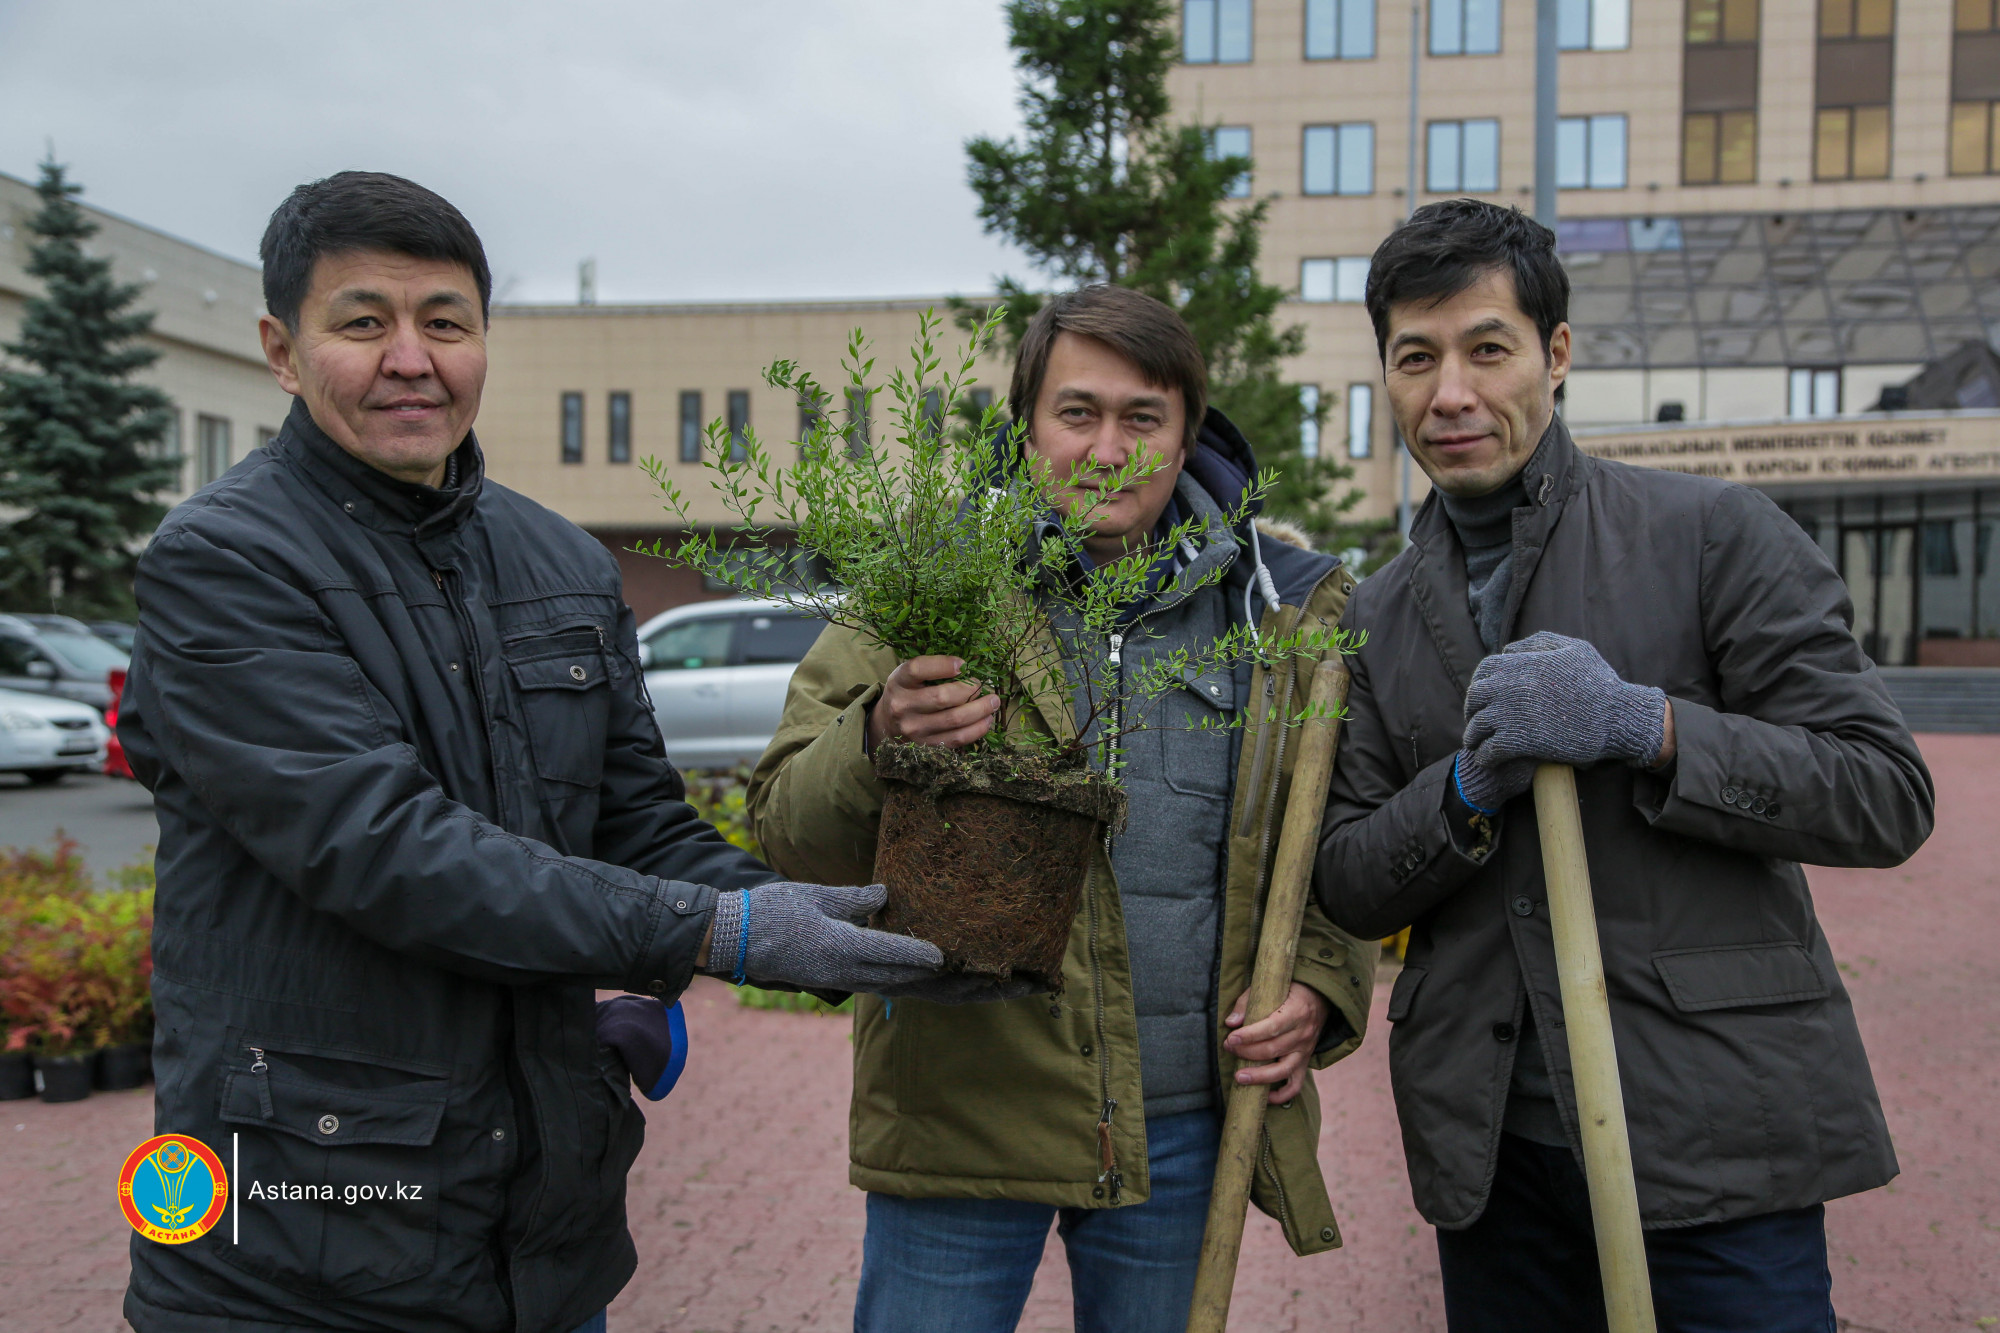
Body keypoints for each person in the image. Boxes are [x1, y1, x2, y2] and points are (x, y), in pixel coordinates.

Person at [118, 171, 959, 1333]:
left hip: (539, 1229)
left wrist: (813, 922)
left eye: (445, 322)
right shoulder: (224, 564)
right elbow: (385, 848)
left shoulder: (560, 561)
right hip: (301, 1233)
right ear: (280, 347)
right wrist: (715, 932)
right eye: (363, 321)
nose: (411, 357)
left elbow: (637, 824)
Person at [1316, 199, 1935, 1332]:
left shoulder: (1710, 535)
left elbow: (1880, 792)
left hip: (1712, 1140)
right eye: (1415, 357)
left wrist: (1642, 726)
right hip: (1492, 1152)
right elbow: (1349, 877)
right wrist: (1464, 789)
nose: (1448, 391)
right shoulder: (1376, 616)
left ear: (1554, 354)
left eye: (1486, 348)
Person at [744, 285, 1376, 1332]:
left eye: (1143, 418)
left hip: (1182, 1127)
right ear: (1026, 428)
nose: (1106, 449)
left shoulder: (1281, 608)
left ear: (1186, 437)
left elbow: (1337, 830)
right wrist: (875, 739)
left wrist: (1319, 981)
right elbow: (784, 826)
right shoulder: (926, 588)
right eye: (1076, 413)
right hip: (956, 1119)